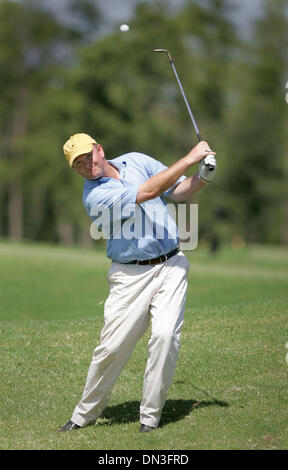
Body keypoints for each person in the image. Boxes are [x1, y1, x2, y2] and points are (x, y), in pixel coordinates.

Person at [59, 133, 216, 433]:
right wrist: (189, 157)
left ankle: (150, 417)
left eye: (87, 157)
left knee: (165, 336)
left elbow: (177, 190)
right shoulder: (93, 197)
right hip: (130, 276)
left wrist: (203, 176)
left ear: (99, 149)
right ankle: (85, 413)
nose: (85, 165)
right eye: (77, 164)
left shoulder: (137, 161)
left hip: (171, 264)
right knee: (112, 347)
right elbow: (146, 192)